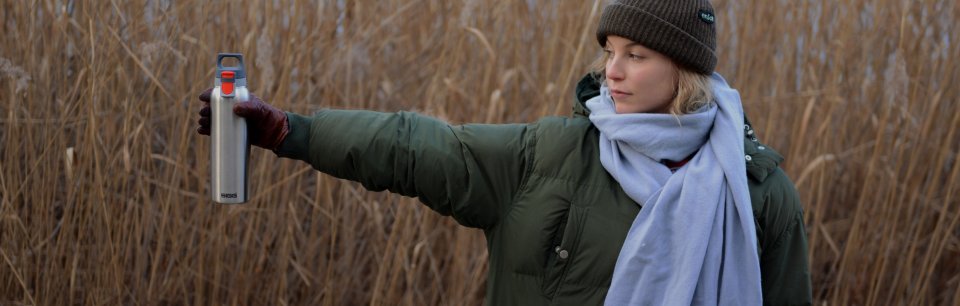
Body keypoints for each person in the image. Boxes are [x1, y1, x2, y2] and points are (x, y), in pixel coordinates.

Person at [197, 0, 812, 304]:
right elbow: (420, 148)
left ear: (685, 72)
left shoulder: (755, 195)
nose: (611, 71)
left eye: (636, 55)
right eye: (610, 50)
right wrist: (289, 131)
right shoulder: (556, 153)